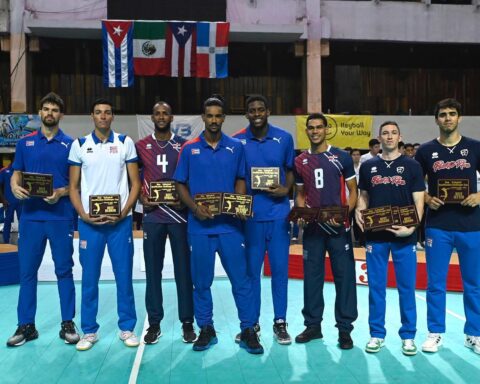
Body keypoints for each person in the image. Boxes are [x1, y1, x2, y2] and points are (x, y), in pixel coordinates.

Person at [173, 95, 263, 355]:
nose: (213, 120)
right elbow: (180, 184)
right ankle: (206, 329)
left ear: (223, 118)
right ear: (203, 117)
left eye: (217, 116)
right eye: (209, 115)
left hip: (230, 228)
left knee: (242, 281)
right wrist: (194, 208)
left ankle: (248, 329)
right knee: (201, 283)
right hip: (199, 229)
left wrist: (237, 204)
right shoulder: (190, 148)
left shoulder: (236, 147)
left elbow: (241, 179)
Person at [6, 92, 79, 347]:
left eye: (54, 110)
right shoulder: (25, 143)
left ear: (61, 114)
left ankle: (67, 323)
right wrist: (15, 186)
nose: (50, 113)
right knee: (27, 272)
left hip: (60, 217)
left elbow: (76, 184)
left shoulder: (71, 145)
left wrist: (60, 192)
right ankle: (26, 325)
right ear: (40, 112)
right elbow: (17, 173)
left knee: (64, 271)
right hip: (31, 218)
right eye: (46, 109)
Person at [68, 98, 141, 351]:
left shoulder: (124, 143)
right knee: (89, 278)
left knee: (124, 277)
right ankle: (89, 330)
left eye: (107, 113)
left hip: (120, 224)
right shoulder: (79, 145)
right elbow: (73, 188)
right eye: (98, 112)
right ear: (92, 116)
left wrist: (123, 212)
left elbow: (136, 184)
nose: (103, 116)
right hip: (90, 224)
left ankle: (127, 327)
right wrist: (84, 215)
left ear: (112, 117)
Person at [415, 98, 480, 355]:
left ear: (460, 118)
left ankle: (474, 334)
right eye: (443, 114)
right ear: (436, 119)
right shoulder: (425, 151)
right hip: (438, 226)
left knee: (473, 283)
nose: (448, 118)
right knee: (435, 283)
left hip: (472, 225)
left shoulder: (475, 148)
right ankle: (435, 333)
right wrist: (428, 198)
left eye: (452, 113)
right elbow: (415, 185)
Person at [356, 121, 425, 356]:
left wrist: (412, 227)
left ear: (400, 137)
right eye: (385, 133)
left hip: (404, 237)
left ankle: (408, 336)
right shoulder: (368, 166)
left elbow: (419, 201)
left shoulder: (412, 166)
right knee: (376, 288)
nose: (389, 136)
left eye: (393, 132)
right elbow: (363, 197)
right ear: (379, 137)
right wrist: (358, 211)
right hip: (376, 235)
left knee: (406, 288)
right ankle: (377, 334)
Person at [232, 95, 295, 345]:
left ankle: (280, 323)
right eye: (252, 110)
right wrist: (239, 204)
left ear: (268, 111)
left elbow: (290, 171)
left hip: (279, 215)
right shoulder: (237, 141)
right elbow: (236, 177)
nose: (257, 113)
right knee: (251, 274)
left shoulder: (284, 138)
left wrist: (285, 190)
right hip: (251, 218)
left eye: (261, 109)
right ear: (246, 114)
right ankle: (251, 324)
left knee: (280, 271)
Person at [293, 113, 358, 349]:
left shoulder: (341, 156)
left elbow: (353, 191)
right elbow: (300, 194)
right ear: (306, 131)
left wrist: (344, 216)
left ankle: (344, 329)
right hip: (313, 230)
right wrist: (301, 214)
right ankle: (313, 326)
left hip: (339, 229)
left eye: (319, 127)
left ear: (326, 129)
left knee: (345, 278)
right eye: (311, 128)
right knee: (312, 278)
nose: (315, 131)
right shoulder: (300, 160)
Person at [135, 101, 196, 344]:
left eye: (165, 113)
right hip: (152, 218)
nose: (161, 117)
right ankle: (154, 323)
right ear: (152, 117)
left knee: (184, 272)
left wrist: (186, 200)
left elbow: (190, 178)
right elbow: (133, 179)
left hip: (179, 217)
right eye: (157, 113)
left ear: (172, 117)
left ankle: (187, 322)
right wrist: (141, 199)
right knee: (153, 273)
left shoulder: (184, 146)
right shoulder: (141, 146)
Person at [0, 161, 22, 244]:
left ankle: (23, 239)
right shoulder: (4, 171)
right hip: (9, 202)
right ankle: (6, 241)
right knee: (8, 221)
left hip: (20, 201)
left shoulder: (22, 171)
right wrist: (3, 200)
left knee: (22, 221)